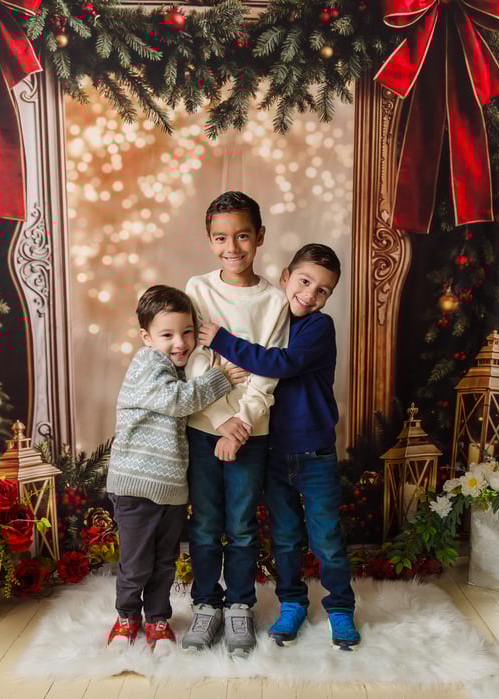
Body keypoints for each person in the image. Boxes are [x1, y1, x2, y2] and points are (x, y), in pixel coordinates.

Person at [198, 243, 360, 651]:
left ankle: (340, 607)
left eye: (322, 290)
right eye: (304, 282)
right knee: (285, 537)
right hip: (273, 452)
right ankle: (292, 603)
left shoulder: (318, 328)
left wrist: (222, 340)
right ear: (285, 277)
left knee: (326, 538)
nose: (309, 294)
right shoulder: (270, 318)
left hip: (315, 453)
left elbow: (279, 364)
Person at [105, 285, 246, 653]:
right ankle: (126, 617)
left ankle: (157, 618)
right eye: (167, 335)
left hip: (169, 489)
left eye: (187, 332)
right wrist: (220, 378)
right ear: (146, 337)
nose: (180, 343)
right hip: (136, 485)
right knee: (136, 563)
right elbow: (176, 401)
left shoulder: (178, 367)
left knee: (165, 562)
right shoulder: (147, 364)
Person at [181, 191, 290, 656]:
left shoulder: (275, 301)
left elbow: (267, 372)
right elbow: (193, 360)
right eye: (221, 238)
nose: (232, 247)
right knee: (206, 522)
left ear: (259, 237)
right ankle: (206, 604)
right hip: (205, 426)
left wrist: (241, 423)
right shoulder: (198, 290)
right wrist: (222, 420)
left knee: (243, 524)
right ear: (210, 240)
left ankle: (240, 604)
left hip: (252, 432)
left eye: (242, 236)